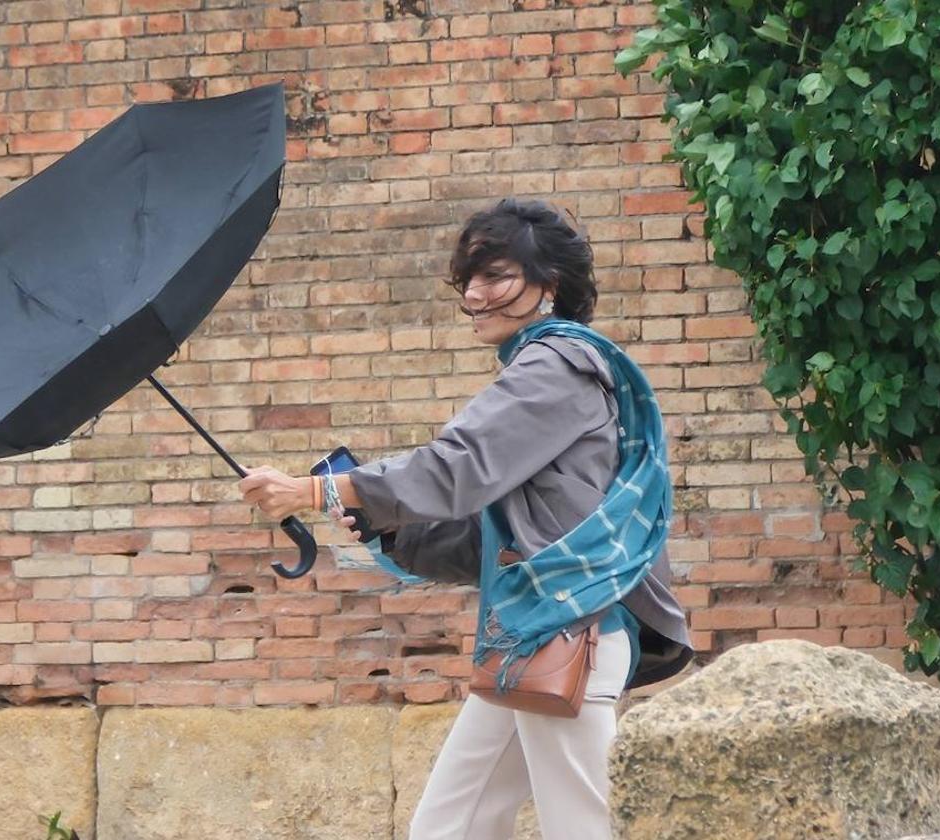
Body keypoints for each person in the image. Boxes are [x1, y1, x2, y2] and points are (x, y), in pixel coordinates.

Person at [239, 198, 693, 840]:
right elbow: (501, 532)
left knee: (579, 830)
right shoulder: (550, 372)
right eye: (469, 280)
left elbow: (459, 466)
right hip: (531, 638)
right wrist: (389, 527)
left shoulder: (555, 365)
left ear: (549, 286)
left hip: (568, 635)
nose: (475, 296)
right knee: (449, 827)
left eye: (496, 276)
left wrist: (321, 491)